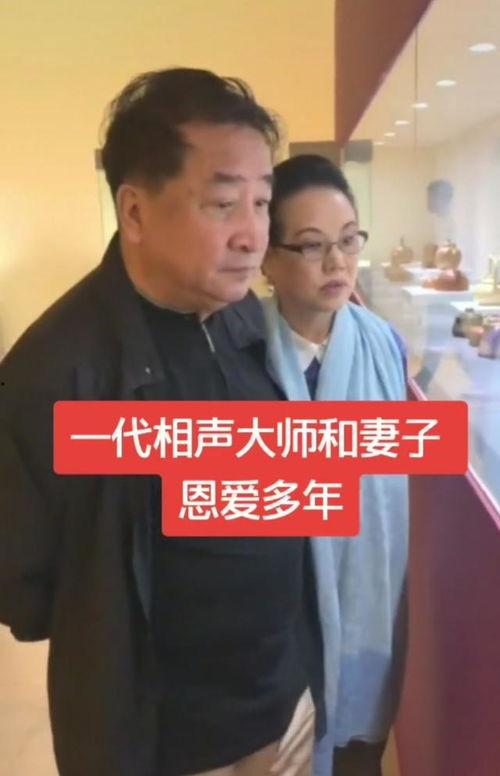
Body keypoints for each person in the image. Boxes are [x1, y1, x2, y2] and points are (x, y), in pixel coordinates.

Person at [0, 69, 318, 776]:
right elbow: (25, 590)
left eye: (262, 202)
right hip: (159, 743)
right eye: (223, 203)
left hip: (281, 706)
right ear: (135, 212)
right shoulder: (53, 374)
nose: (252, 235)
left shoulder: (242, 316)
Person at [261, 155, 409, 776]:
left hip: (366, 611)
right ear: (268, 259)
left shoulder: (383, 346)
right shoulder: (237, 357)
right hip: (273, 628)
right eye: (312, 245)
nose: (337, 263)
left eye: (349, 241)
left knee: (355, 758)